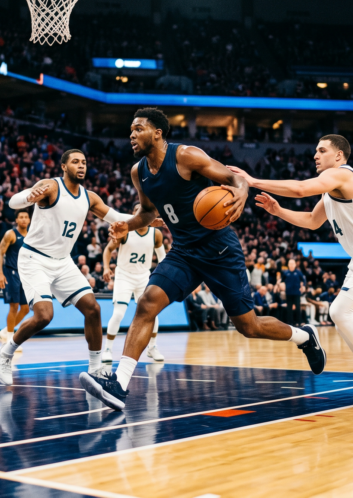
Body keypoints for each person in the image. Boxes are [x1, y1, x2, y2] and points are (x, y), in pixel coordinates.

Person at [81, 109, 325, 411]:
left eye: (139, 129)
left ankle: (304, 336)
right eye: (130, 130)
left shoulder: (185, 156)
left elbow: (234, 177)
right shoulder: (138, 171)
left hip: (219, 248)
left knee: (248, 326)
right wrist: (127, 224)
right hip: (183, 251)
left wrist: (242, 192)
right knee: (147, 303)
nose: (132, 134)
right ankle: (119, 385)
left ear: (157, 133)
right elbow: (148, 212)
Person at [227, 133, 353, 407]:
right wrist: (278, 211)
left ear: (339, 156)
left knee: (338, 311)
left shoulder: (343, 175)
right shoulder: (331, 189)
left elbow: (299, 189)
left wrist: (253, 181)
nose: (315, 156)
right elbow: (311, 220)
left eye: (321, 150)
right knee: (345, 323)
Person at [0, 148, 156, 388]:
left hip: (62, 261)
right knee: (44, 316)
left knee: (93, 309)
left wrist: (147, 219)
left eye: (84, 162)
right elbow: (13, 201)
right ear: (63, 166)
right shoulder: (50, 186)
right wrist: (28, 197)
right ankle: (5, 354)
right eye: (75, 162)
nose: (81, 165)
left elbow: (114, 216)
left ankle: (95, 368)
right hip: (34, 259)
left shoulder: (89, 197)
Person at [101, 204, 168, 363]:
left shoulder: (155, 234)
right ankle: (108, 349)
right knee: (118, 313)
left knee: (152, 313)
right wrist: (105, 267)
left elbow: (163, 259)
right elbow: (108, 249)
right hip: (124, 275)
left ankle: (152, 347)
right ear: (133, 215)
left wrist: (165, 275)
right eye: (137, 211)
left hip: (144, 276)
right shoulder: (125, 231)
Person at [0, 209, 29, 344]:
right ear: (17, 220)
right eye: (21, 217)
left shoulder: (32, 235)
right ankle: (10, 339)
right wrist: (0, 274)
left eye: (26, 217)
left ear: (30, 220)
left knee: (25, 308)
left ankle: (4, 332)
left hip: (25, 274)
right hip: (11, 272)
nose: (24, 219)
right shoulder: (11, 234)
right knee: (14, 306)